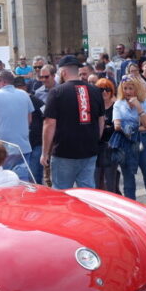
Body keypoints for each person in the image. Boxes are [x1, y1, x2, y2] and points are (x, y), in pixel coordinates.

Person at [41, 55, 104, 190]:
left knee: (62, 194)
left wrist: (45, 152)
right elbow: (101, 120)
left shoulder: (57, 92)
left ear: (63, 72)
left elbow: (49, 124)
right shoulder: (95, 91)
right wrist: (94, 140)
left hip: (64, 152)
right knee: (88, 194)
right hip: (89, 151)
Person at [113, 77, 146, 212]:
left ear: (137, 89)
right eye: (125, 88)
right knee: (129, 183)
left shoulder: (145, 103)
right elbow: (117, 126)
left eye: (131, 88)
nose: (128, 91)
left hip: (143, 142)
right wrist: (139, 127)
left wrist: (139, 107)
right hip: (126, 144)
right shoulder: (118, 104)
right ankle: (132, 216)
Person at [0, 71, 33, 178]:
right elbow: (29, 119)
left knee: (3, 182)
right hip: (22, 147)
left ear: (3, 82)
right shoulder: (24, 95)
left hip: (2, 148)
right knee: (22, 183)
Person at [93, 78, 119, 194]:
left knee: (110, 182)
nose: (104, 92)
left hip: (111, 147)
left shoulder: (116, 106)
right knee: (96, 181)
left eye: (107, 89)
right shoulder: (94, 106)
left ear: (112, 91)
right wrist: (106, 127)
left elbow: (116, 128)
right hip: (96, 147)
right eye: (101, 89)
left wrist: (105, 128)